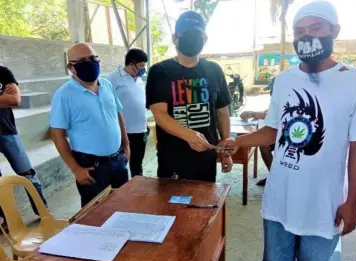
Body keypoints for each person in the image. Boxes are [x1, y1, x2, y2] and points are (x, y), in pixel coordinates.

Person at [223, 1, 356, 261]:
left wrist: (353, 201)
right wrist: (238, 141)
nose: (306, 36)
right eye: (299, 31)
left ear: (334, 30)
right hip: (279, 200)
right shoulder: (283, 80)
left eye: (315, 28)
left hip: (324, 204)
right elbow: (273, 130)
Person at [146, 11, 233, 182]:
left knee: (204, 206)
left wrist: (225, 150)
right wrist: (188, 135)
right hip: (172, 159)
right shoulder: (159, 71)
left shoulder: (214, 70)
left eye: (196, 34)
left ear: (205, 39)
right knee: (172, 207)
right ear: (174, 38)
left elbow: (222, 112)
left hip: (206, 159)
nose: (192, 38)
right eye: (186, 34)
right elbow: (159, 114)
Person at [50, 43, 130, 207]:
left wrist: (126, 145)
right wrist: (75, 169)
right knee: (95, 214)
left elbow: (117, 114)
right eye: (83, 60)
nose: (90, 63)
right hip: (91, 167)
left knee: (123, 206)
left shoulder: (106, 84)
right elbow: (57, 134)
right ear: (71, 67)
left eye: (93, 58)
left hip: (118, 159)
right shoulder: (64, 94)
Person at [0, 66, 48, 221]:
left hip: (7, 131)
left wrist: (8, 99)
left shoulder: (3, 72)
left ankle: (43, 212)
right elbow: (7, 99)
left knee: (28, 175)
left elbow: (15, 100)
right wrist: (3, 98)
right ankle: (8, 220)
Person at [107, 49, 148, 177]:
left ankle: (138, 188)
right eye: (141, 65)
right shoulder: (113, 79)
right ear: (132, 63)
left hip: (140, 130)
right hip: (123, 132)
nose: (143, 69)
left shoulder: (139, 80)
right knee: (121, 165)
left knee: (137, 164)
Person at [240, 78, 275, 186]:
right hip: (279, 132)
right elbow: (268, 112)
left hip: (292, 136)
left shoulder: (291, 97)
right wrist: (254, 115)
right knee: (264, 145)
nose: (271, 93)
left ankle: (277, 177)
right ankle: (273, 176)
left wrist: (253, 114)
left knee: (265, 144)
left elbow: (274, 115)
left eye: (273, 90)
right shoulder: (277, 99)